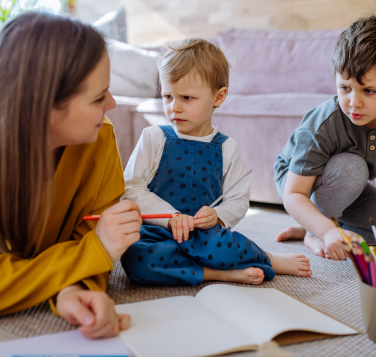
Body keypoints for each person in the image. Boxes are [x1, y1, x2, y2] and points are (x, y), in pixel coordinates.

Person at [0, 12, 142, 339]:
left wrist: (74, 289)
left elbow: (89, 237)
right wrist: (94, 253)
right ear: (44, 107)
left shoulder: (98, 137)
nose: (113, 103)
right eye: (97, 97)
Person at [121, 38, 311, 285]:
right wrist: (170, 217)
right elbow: (131, 187)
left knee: (229, 246)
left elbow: (238, 199)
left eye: (186, 98)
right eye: (168, 96)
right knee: (135, 259)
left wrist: (218, 216)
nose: (173, 107)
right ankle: (216, 273)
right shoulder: (153, 137)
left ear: (218, 97)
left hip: (204, 237)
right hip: (157, 232)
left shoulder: (227, 148)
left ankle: (268, 258)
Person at [273, 15, 376, 260]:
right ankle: (316, 230)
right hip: (297, 180)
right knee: (353, 169)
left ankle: (313, 224)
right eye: (345, 88)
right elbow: (294, 195)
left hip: (343, 185)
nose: (354, 102)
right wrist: (326, 231)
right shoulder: (323, 124)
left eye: (369, 91)